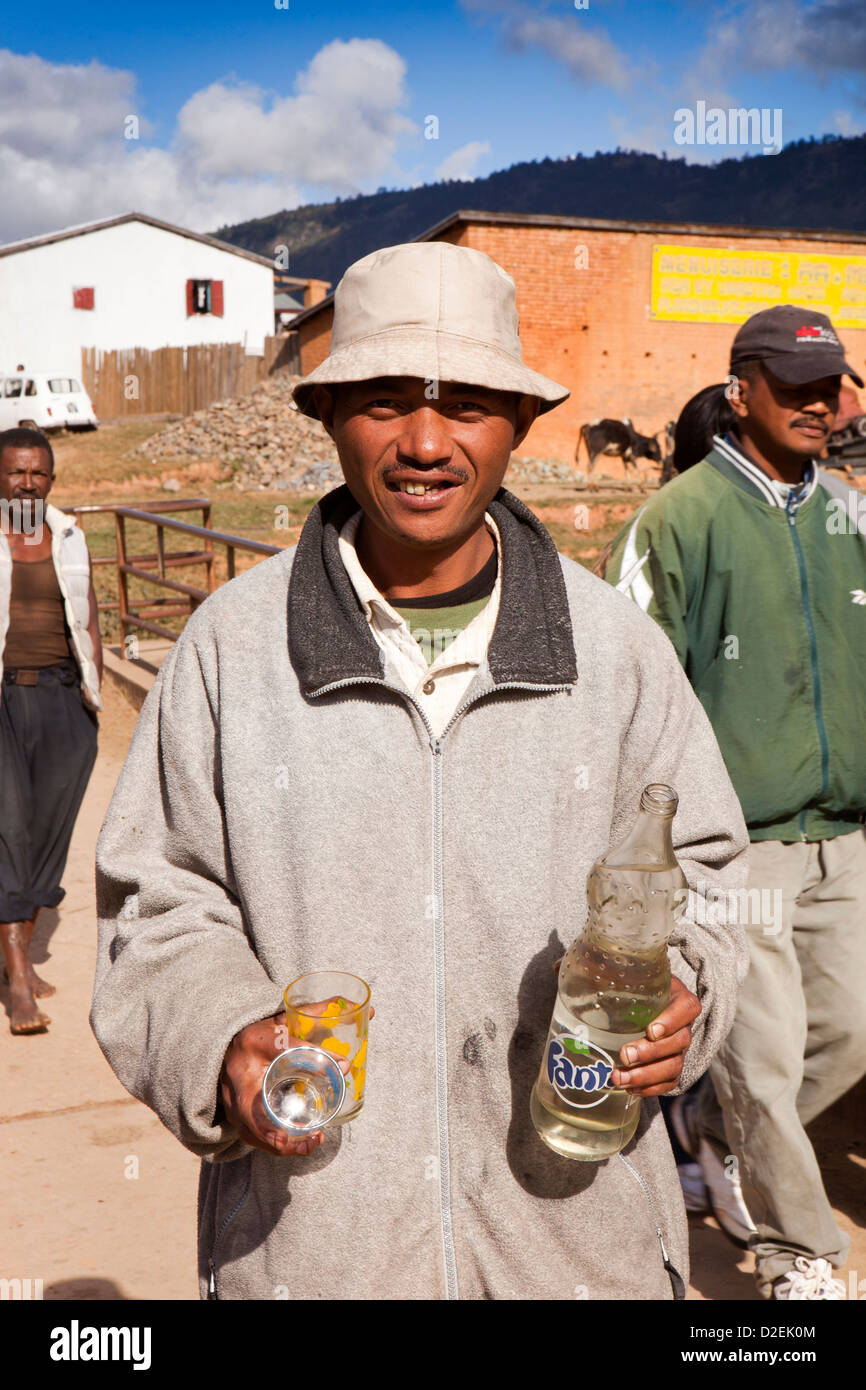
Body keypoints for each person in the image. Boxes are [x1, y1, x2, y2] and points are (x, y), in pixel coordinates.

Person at [91, 241, 749, 1301]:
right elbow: (153, 907)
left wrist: (685, 989)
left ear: (521, 424)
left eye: (469, 405)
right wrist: (220, 1034)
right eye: (386, 401)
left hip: (576, 1253)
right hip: (318, 1252)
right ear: (327, 413)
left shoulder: (615, 651)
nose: (426, 443)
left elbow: (710, 874)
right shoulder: (230, 651)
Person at [602, 305, 866, 1300]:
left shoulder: (849, 513)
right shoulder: (675, 519)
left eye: (827, 384)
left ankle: (716, 1131)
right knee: (761, 1060)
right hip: (734, 851)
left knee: (844, 1036)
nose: (816, 403)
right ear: (737, 391)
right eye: (791, 385)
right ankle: (796, 1254)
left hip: (843, 836)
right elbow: (621, 685)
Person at [0, 427, 103, 1034]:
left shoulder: (68, 536)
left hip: (65, 699)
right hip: (5, 698)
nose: (27, 482)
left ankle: (17, 951)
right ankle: (17, 977)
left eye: (38, 472)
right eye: (16, 471)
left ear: (52, 478)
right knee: (9, 829)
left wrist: (93, 703)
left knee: (47, 834)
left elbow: (86, 618)